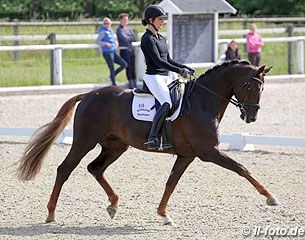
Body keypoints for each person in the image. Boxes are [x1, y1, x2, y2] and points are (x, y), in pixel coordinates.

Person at [140, 5, 195, 150]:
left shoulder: (161, 38)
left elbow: (168, 60)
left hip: (166, 76)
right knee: (167, 103)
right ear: (151, 20)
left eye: (163, 19)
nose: (163, 22)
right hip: (154, 77)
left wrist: (184, 68)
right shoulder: (147, 39)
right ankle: (152, 138)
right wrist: (179, 70)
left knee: (181, 98)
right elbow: (158, 61)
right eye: (160, 19)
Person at [96, 17, 127, 86]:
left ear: (110, 24)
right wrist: (105, 43)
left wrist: (116, 42)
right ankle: (113, 84)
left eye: (108, 23)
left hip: (113, 51)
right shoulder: (103, 32)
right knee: (112, 68)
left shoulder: (111, 30)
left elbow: (113, 39)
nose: (106, 25)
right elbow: (98, 41)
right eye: (105, 23)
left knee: (124, 64)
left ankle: (111, 76)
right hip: (107, 52)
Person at [117, 13, 138, 89]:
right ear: (121, 20)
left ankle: (135, 82)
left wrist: (130, 37)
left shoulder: (129, 29)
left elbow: (135, 37)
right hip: (125, 50)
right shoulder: (119, 30)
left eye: (127, 19)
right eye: (125, 19)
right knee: (128, 67)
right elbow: (124, 38)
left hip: (131, 50)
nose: (126, 21)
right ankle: (131, 83)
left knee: (133, 67)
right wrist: (131, 37)